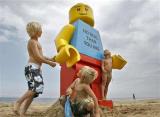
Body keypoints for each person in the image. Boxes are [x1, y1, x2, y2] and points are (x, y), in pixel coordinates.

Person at [13, 21, 56, 117]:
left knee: (34, 92)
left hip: (36, 68)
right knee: (34, 88)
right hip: (32, 67)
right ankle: (18, 102)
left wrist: (50, 58)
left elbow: (41, 55)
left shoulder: (36, 42)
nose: (42, 31)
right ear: (36, 31)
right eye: (40, 30)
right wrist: (49, 63)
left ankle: (22, 113)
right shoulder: (32, 42)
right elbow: (37, 57)